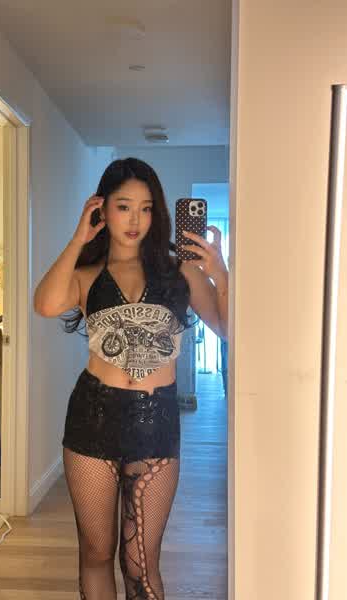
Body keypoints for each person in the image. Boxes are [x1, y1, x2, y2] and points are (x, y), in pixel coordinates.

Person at [33, 158, 229, 599]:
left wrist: (220, 274)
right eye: (124, 207)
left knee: (140, 563)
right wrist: (79, 240)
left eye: (145, 208)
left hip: (156, 423)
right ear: (102, 209)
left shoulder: (180, 272)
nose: (135, 219)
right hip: (92, 418)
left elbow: (227, 327)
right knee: (96, 553)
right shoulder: (87, 276)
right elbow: (44, 304)